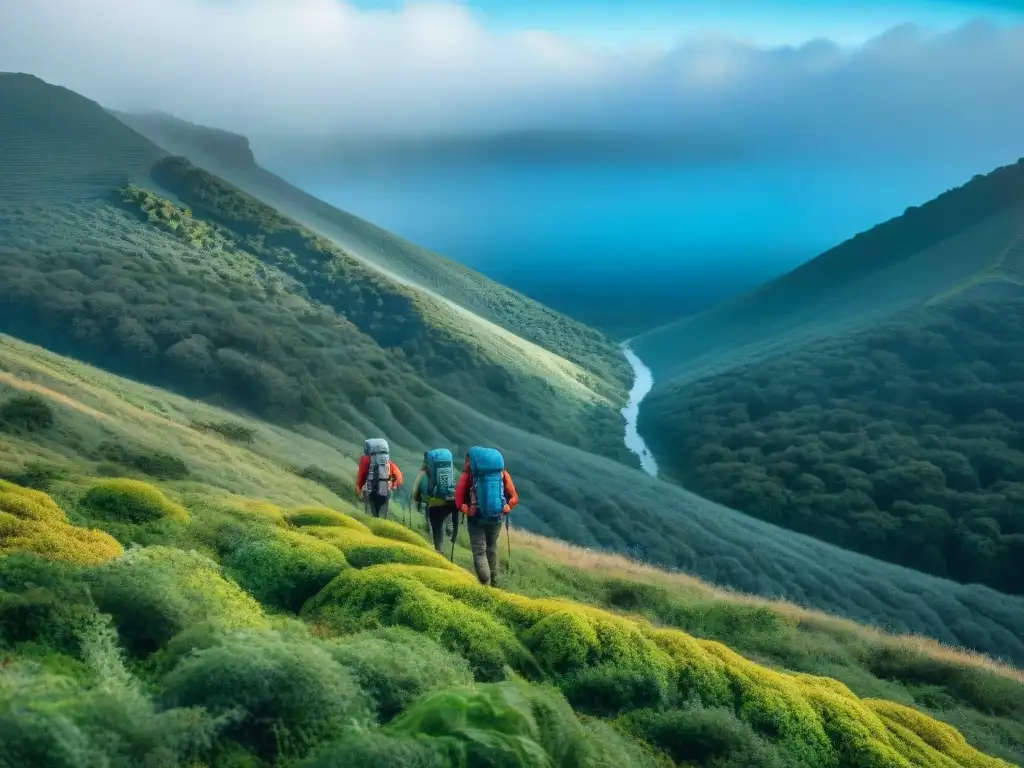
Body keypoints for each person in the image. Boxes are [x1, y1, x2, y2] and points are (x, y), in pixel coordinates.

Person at [455, 446, 518, 587]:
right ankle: (495, 582)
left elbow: (458, 500)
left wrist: (467, 510)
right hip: (496, 518)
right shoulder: (502, 474)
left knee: (479, 552)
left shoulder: (468, 474)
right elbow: (514, 497)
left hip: (476, 518)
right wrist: (507, 507)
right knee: (492, 548)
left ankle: (485, 582)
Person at [411, 448, 459, 555]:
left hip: (435, 504)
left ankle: (439, 551)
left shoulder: (423, 474)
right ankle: (452, 535)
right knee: (448, 520)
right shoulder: (449, 470)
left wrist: (418, 500)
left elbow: (415, 494)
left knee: (436, 530)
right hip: (451, 502)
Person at [355, 438, 403, 519]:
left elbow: (361, 477)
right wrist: (392, 485)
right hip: (385, 492)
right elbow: (399, 478)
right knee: (382, 518)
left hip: (370, 492)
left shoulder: (365, 459)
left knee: (370, 517)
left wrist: (358, 491)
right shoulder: (387, 462)